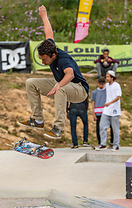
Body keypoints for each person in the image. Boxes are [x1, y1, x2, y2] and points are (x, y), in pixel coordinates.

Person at [17, 5, 89, 139]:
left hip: (80, 90)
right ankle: (38, 120)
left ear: (53, 56)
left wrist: (59, 85)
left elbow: (70, 74)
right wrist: (44, 16)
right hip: (64, 86)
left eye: (44, 60)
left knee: (60, 88)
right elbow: (49, 33)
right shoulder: (50, 46)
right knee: (30, 82)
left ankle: (58, 128)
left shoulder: (63, 59)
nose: (43, 63)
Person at [96, 70, 122, 151]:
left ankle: (116, 145)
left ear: (112, 77)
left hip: (115, 110)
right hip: (106, 110)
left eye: (108, 77)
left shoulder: (117, 85)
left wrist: (109, 103)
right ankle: (103, 144)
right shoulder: (106, 85)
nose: (107, 78)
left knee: (115, 129)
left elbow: (118, 97)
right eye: (106, 77)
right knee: (102, 127)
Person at [91, 77, 113, 145]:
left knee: (111, 126)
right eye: (100, 84)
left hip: (106, 112)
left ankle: (112, 141)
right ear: (98, 83)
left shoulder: (107, 91)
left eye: (102, 84)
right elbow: (93, 103)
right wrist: (93, 114)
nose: (101, 86)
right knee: (99, 127)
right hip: (98, 113)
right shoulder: (94, 92)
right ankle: (100, 142)